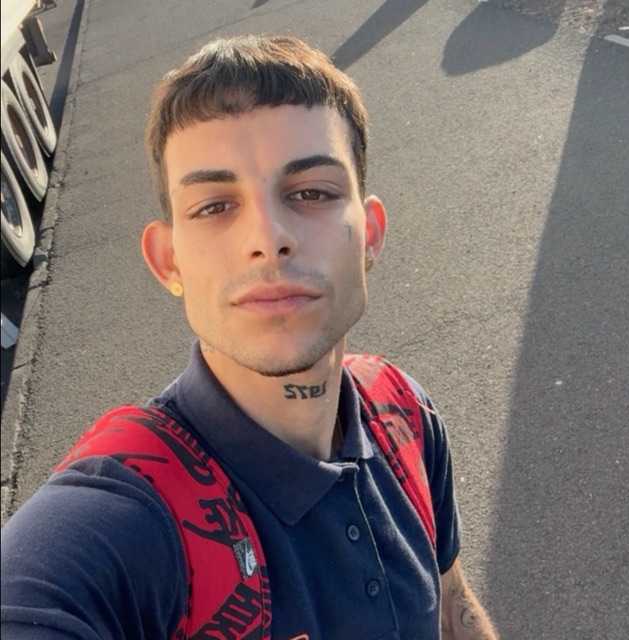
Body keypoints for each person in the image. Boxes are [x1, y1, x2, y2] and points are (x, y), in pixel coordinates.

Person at [1, 35, 499, 639]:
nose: (267, 237)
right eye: (214, 206)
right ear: (168, 261)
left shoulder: (404, 413)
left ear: (369, 234)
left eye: (311, 192)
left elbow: (452, 604)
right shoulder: (128, 518)